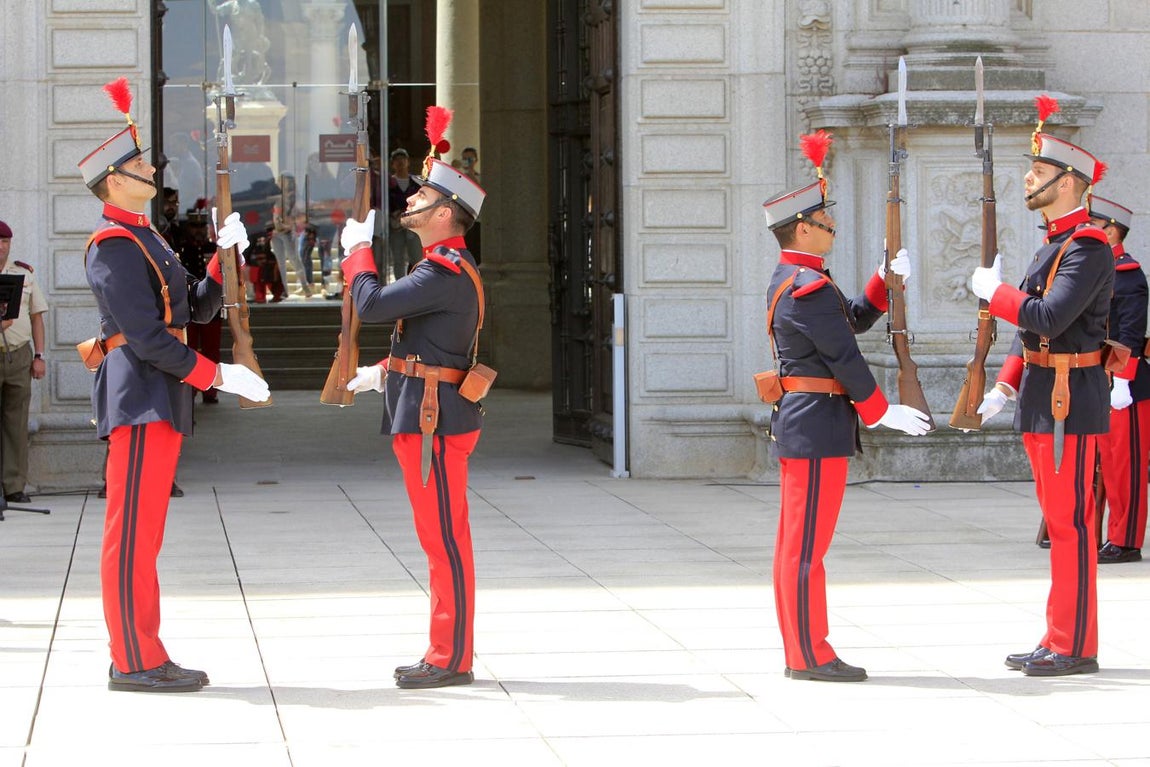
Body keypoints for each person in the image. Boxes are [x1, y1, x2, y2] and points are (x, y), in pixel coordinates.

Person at [77, 77, 270, 693]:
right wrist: (218, 374)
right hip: (138, 397)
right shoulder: (111, 246)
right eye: (137, 164)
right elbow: (148, 338)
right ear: (113, 181)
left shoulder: (147, 237)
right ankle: (133, 658)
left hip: (159, 398)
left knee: (146, 534)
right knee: (131, 535)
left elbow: (195, 309)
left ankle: (144, 649)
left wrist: (222, 257)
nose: (149, 167)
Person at [761, 130, 931, 683]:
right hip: (816, 427)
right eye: (825, 220)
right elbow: (844, 355)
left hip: (809, 426)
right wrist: (882, 410)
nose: (832, 226)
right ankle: (809, 654)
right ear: (803, 227)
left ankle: (804, 650)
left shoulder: (801, 280)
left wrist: (882, 282)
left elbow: (851, 319)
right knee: (805, 549)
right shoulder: (807, 286)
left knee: (800, 544)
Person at [971, 96, 1112, 677]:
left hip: (1068, 401)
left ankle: (1075, 644)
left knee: (1072, 526)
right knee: (1059, 523)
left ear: (1070, 181)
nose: (1028, 177)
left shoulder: (1088, 248)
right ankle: (1058, 634)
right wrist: (1005, 385)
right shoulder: (1054, 244)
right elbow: (1033, 337)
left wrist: (997, 294)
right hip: (1039, 395)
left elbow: (1049, 317)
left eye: (1039, 171)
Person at [342, 152, 488, 690]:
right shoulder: (440, 267)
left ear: (447, 213)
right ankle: (446, 650)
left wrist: (357, 253)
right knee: (438, 539)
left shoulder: (444, 269)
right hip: (424, 410)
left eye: (422, 197)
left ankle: (451, 656)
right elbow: (429, 342)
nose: (410, 199)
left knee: (444, 541)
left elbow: (373, 304)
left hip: (435, 422)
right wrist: (384, 370)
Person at [1088, 195, 1149, 564]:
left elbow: (1130, 330)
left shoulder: (1127, 274)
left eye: (1094, 224)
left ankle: (1126, 540)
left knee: (1125, 466)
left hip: (1124, 383)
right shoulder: (1100, 268)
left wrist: (1122, 379)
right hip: (1100, 378)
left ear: (1111, 229)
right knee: (1106, 463)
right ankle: (1107, 533)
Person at [0, 219, 48, 508]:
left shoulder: (24, 275)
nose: (1, 247)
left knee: (16, 423)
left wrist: (39, 356)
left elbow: (36, 316)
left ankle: (14, 485)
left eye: (5, 241)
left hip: (19, 355)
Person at [179, 208, 224, 404]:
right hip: (187, 307)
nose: (198, 230)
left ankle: (210, 391)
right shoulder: (181, 249)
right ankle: (189, 392)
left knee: (211, 350)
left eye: (201, 226)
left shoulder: (213, 248)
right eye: (194, 226)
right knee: (189, 350)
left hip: (211, 308)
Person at [387, 148, 423, 282]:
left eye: (403, 159)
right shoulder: (388, 183)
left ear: (408, 162)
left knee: (416, 257)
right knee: (398, 258)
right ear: (392, 164)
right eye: (397, 160)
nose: (400, 162)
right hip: (395, 225)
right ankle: (400, 285)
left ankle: (417, 284)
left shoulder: (416, 182)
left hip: (413, 225)